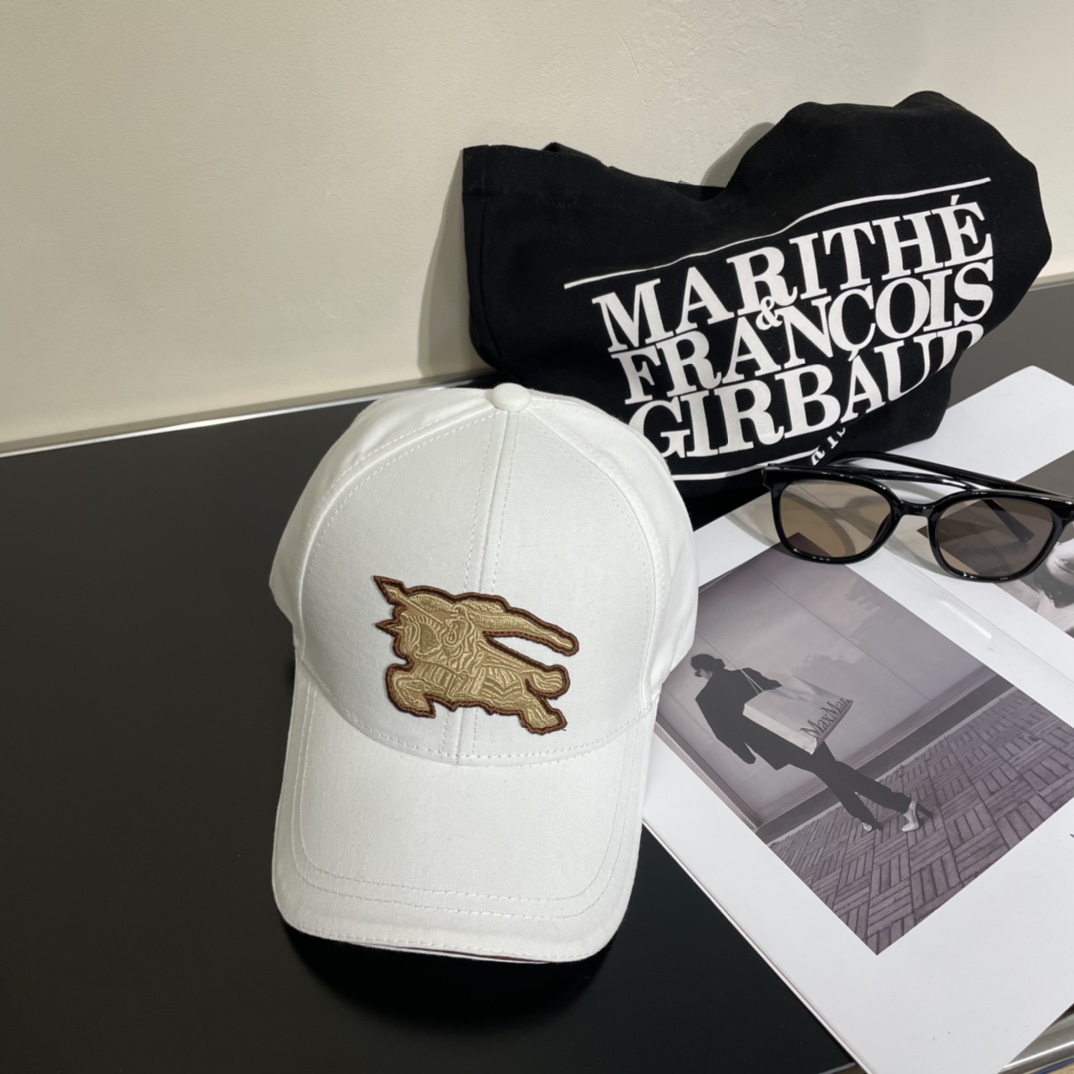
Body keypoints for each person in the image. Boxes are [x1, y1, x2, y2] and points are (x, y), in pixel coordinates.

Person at [691, 653, 929, 832]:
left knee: (834, 773)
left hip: (777, 744)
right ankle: (865, 817)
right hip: (800, 729)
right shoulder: (745, 674)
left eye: (698, 673)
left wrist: (747, 756)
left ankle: (902, 804)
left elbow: (723, 733)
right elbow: (779, 691)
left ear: (701, 671)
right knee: (831, 772)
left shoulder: (706, 698)